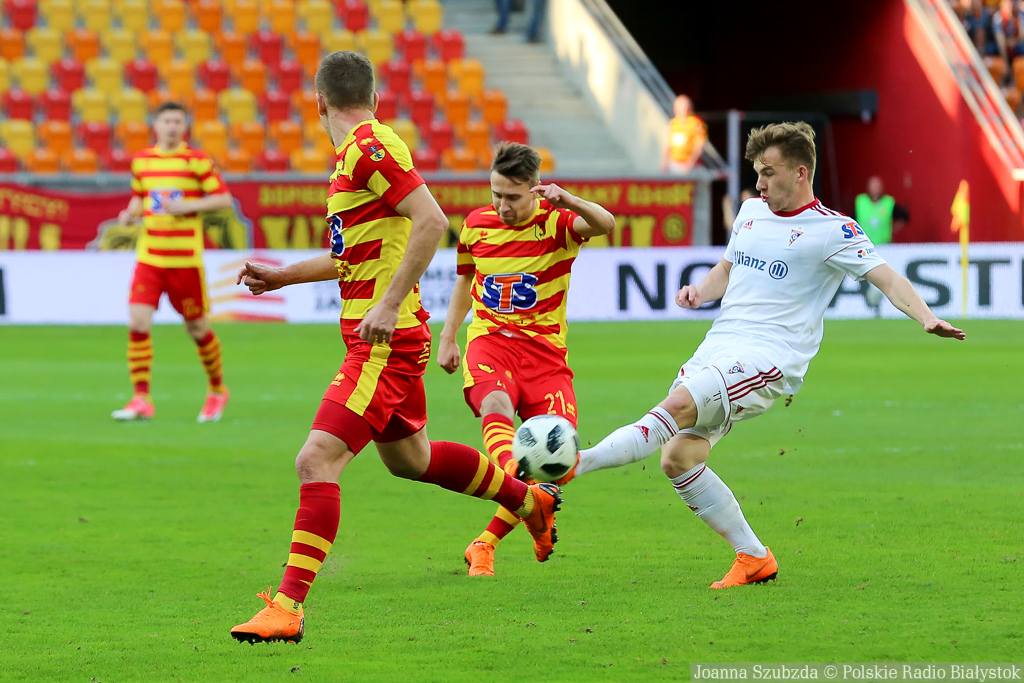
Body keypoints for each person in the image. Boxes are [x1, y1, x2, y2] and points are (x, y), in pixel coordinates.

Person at [229, 51, 562, 645]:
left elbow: (432, 221)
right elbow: (347, 257)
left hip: (382, 339)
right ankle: (528, 500)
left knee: (316, 460)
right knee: (414, 460)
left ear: (318, 99)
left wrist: (386, 303)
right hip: (390, 334)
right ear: (375, 96)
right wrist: (281, 277)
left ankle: (287, 607)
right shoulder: (355, 156)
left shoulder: (367, 147)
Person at [563, 122, 965, 590]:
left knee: (675, 407)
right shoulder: (751, 212)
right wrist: (700, 291)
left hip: (769, 358)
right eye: (757, 172)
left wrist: (926, 317)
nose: (758, 183)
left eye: (768, 172)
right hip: (720, 344)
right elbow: (727, 269)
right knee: (678, 457)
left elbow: (888, 279)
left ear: (799, 172)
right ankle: (754, 558)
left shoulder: (833, 230)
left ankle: (573, 464)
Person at [436, 142, 615, 577]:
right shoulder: (475, 226)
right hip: (490, 342)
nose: (501, 205)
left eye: (512, 197)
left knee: (559, 464)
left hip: (546, 356)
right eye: (496, 194)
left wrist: (568, 199)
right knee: (494, 406)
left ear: (535, 190)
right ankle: (523, 486)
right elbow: (465, 281)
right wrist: (448, 335)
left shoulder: (558, 224)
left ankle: (485, 542)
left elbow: (606, 224)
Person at [111, 102, 234, 423]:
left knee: (197, 328)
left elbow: (223, 199)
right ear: (156, 124)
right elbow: (140, 196)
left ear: (185, 127)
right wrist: (130, 212)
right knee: (137, 321)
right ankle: (141, 398)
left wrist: (189, 205)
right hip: (150, 257)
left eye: (178, 121)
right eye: (166, 120)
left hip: (185, 261)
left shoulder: (196, 161)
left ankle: (217, 390)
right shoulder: (142, 161)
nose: (172, 126)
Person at [664, 95, 707, 175]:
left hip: (690, 165)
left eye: (685, 107)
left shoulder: (697, 123)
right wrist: (665, 162)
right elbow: (669, 144)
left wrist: (691, 162)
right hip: (674, 164)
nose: (683, 109)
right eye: (679, 107)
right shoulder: (673, 123)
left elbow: (700, 145)